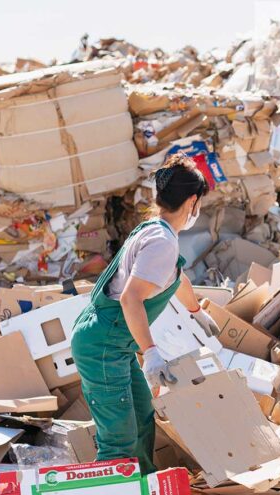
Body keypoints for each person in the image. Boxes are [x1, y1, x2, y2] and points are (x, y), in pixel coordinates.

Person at [71, 154, 220, 475]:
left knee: (141, 417)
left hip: (113, 344)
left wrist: (196, 312)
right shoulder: (161, 242)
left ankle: (147, 494)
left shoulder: (156, 232)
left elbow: (176, 276)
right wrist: (151, 354)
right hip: (103, 347)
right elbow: (131, 299)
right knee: (119, 442)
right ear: (192, 201)